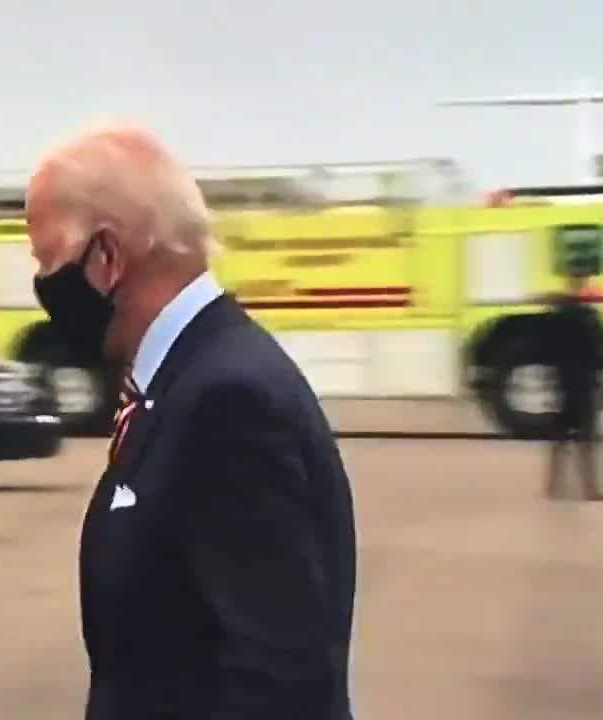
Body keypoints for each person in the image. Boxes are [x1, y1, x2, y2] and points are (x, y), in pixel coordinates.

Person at [25, 124, 357, 720]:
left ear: (106, 255)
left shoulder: (226, 402)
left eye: (47, 259)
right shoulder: (182, 383)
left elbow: (280, 679)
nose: (44, 287)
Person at [544, 271, 603, 500]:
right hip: (584, 383)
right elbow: (602, 349)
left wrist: (551, 378)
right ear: (583, 286)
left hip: (563, 382)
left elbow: (545, 349)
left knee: (560, 438)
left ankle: (553, 487)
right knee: (587, 439)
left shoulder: (556, 315)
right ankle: (590, 489)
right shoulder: (589, 316)